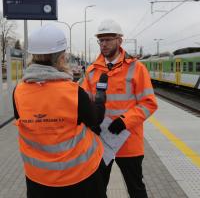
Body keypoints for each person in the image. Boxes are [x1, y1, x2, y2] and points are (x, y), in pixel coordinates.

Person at [12, 24, 106, 198]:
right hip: (80, 177)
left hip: (37, 179)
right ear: (61, 57)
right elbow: (95, 120)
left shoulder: (18, 92)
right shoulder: (73, 92)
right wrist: (100, 100)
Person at [82, 19, 158, 198]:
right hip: (101, 141)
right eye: (101, 40)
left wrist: (125, 122)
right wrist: (89, 121)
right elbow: (85, 103)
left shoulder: (137, 68)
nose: (104, 44)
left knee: (136, 189)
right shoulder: (92, 71)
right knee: (97, 189)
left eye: (108, 39)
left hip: (129, 140)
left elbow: (149, 103)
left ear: (120, 40)